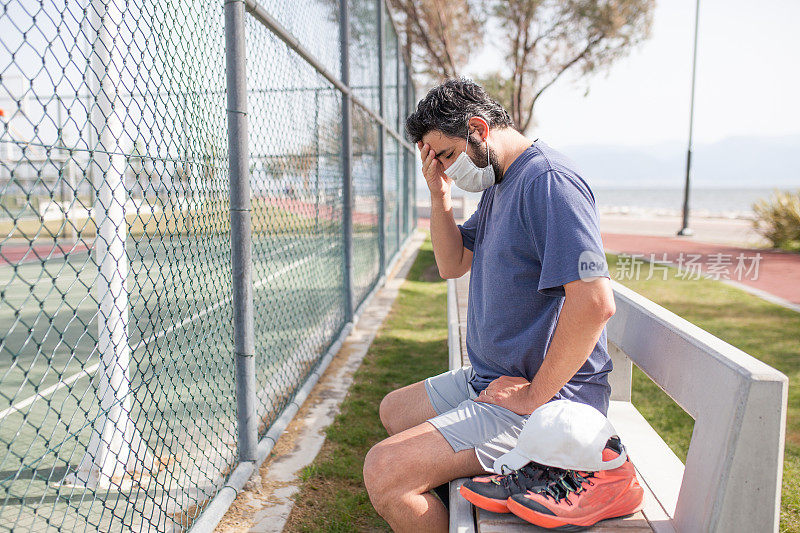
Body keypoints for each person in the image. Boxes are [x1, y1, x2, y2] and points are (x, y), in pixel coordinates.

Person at [362, 77, 615, 532]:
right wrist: (438, 194)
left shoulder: (549, 182)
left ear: (478, 128)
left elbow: (595, 303)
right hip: (493, 379)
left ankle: (485, 476)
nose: (442, 166)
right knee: (394, 411)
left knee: (385, 471)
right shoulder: (502, 182)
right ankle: (457, 481)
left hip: (549, 400)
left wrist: (533, 396)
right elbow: (452, 262)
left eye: (445, 155)